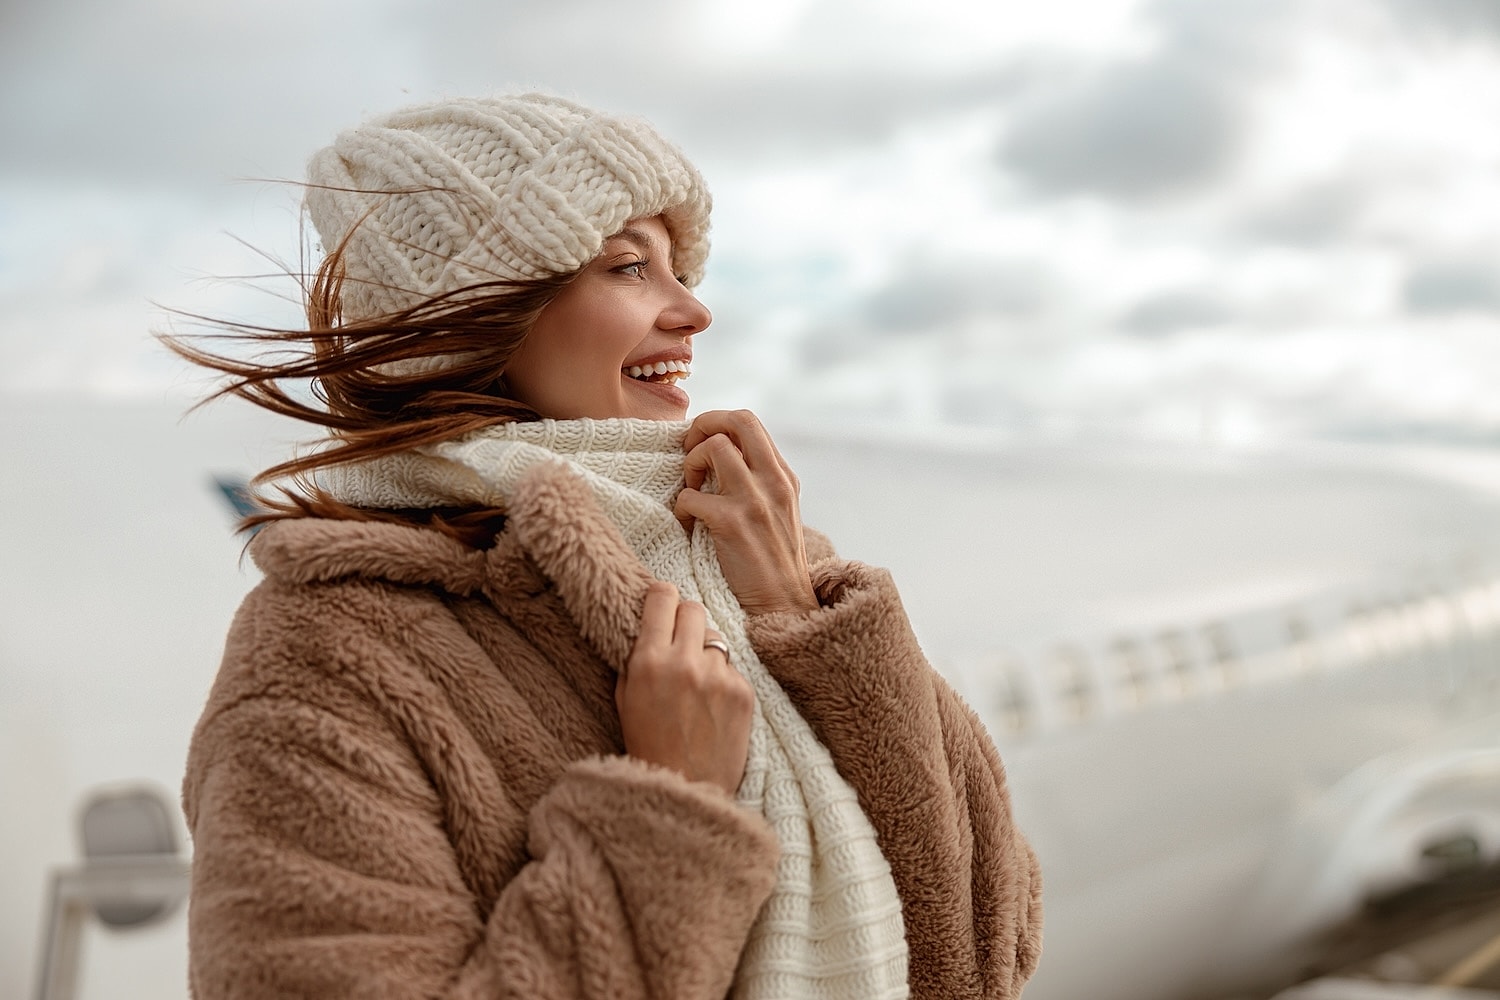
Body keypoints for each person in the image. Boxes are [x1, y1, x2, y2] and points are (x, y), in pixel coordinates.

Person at [174, 93, 1041, 1000]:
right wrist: (667, 808)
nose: (693, 311)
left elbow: (988, 942)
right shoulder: (329, 659)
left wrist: (801, 618)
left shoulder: (743, 556)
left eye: (679, 267)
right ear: (475, 315)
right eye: (629, 266)